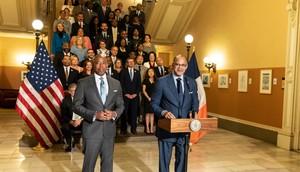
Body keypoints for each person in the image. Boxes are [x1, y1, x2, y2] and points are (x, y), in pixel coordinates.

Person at [73, 55, 124, 172]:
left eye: (104, 63)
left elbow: (120, 105)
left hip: (109, 131)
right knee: (89, 166)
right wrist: (94, 115)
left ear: (107, 65)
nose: (101, 66)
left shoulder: (116, 83)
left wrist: (114, 114)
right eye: (98, 63)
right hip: (91, 131)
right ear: (93, 64)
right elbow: (76, 106)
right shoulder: (84, 82)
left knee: (107, 166)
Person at [150, 54, 199, 172]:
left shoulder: (191, 82)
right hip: (166, 129)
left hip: (184, 129)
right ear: (173, 65)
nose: (180, 67)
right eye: (177, 64)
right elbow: (153, 104)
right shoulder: (162, 82)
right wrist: (163, 112)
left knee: (182, 161)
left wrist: (194, 112)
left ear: (186, 67)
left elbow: (195, 102)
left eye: (183, 65)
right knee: (164, 163)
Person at [119, 57, 141, 135]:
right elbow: (121, 84)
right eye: (129, 62)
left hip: (135, 97)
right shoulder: (123, 71)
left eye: (132, 62)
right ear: (127, 63)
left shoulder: (137, 72)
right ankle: (123, 129)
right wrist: (126, 94)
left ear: (134, 63)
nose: (131, 63)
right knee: (124, 113)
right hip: (125, 96)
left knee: (134, 113)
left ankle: (133, 129)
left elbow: (139, 85)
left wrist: (135, 93)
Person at [60, 83, 83, 152]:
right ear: (69, 92)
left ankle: (87, 146)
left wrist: (80, 120)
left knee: (89, 126)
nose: (75, 92)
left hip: (82, 120)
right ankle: (70, 144)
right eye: (73, 90)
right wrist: (71, 121)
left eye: (76, 90)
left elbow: (88, 112)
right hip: (71, 121)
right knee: (64, 127)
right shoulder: (65, 101)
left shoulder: (84, 99)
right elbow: (63, 115)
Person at [142, 68, 156, 134]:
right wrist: (148, 97)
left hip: (154, 99)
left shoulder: (156, 80)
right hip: (147, 98)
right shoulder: (145, 80)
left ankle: (151, 128)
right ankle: (147, 128)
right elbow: (144, 90)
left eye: (152, 71)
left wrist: (154, 98)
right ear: (147, 73)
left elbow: (158, 90)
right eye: (149, 71)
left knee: (152, 114)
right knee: (147, 114)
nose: (150, 73)